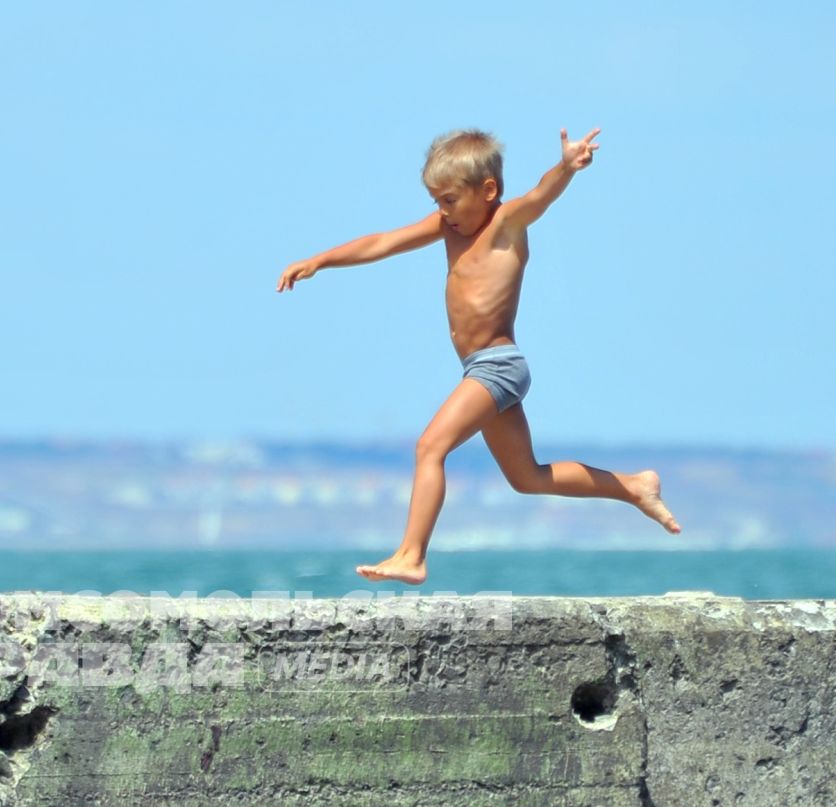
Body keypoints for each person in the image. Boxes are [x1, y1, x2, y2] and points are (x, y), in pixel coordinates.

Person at [277, 127, 681, 584]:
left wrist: (567, 168)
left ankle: (412, 554)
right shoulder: (447, 229)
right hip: (481, 368)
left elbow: (541, 196)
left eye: (449, 200)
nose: (442, 212)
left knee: (430, 446)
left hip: (499, 366)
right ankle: (633, 487)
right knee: (527, 477)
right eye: (436, 202)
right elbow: (383, 242)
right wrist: (320, 260)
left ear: (487, 191)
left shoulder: (505, 225)